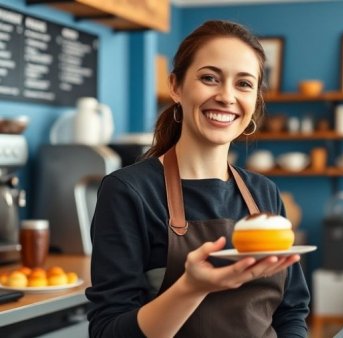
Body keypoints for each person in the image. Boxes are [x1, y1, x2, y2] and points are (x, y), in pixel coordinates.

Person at [85, 20, 310, 338]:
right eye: (209, 78)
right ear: (176, 87)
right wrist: (190, 288)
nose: (227, 96)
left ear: (255, 101)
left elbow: (292, 312)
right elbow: (107, 331)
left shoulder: (264, 193)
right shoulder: (129, 192)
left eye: (244, 84)